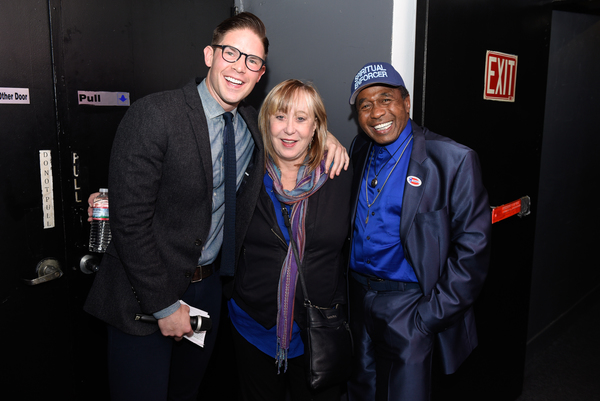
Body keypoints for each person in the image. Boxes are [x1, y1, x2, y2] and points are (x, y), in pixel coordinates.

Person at [83, 13, 348, 401]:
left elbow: (292, 132)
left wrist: (330, 141)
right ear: (210, 55)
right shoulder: (155, 114)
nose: (240, 67)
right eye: (231, 53)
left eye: (252, 61)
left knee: (186, 393)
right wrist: (163, 305)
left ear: (260, 75)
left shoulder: (250, 131)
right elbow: (130, 223)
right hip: (143, 298)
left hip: (206, 295)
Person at [346, 62, 491, 401]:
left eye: (386, 99)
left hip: (410, 306)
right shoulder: (358, 149)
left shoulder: (452, 159)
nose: (377, 111)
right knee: (359, 392)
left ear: (406, 103)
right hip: (358, 300)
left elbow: (474, 250)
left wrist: (428, 317)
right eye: (365, 105)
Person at [226, 79, 352, 401]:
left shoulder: (340, 175)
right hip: (253, 326)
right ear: (267, 121)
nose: (289, 130)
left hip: (317, 331)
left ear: (316, 127)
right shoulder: (247, 170)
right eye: (280, 116)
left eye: (301, 118)